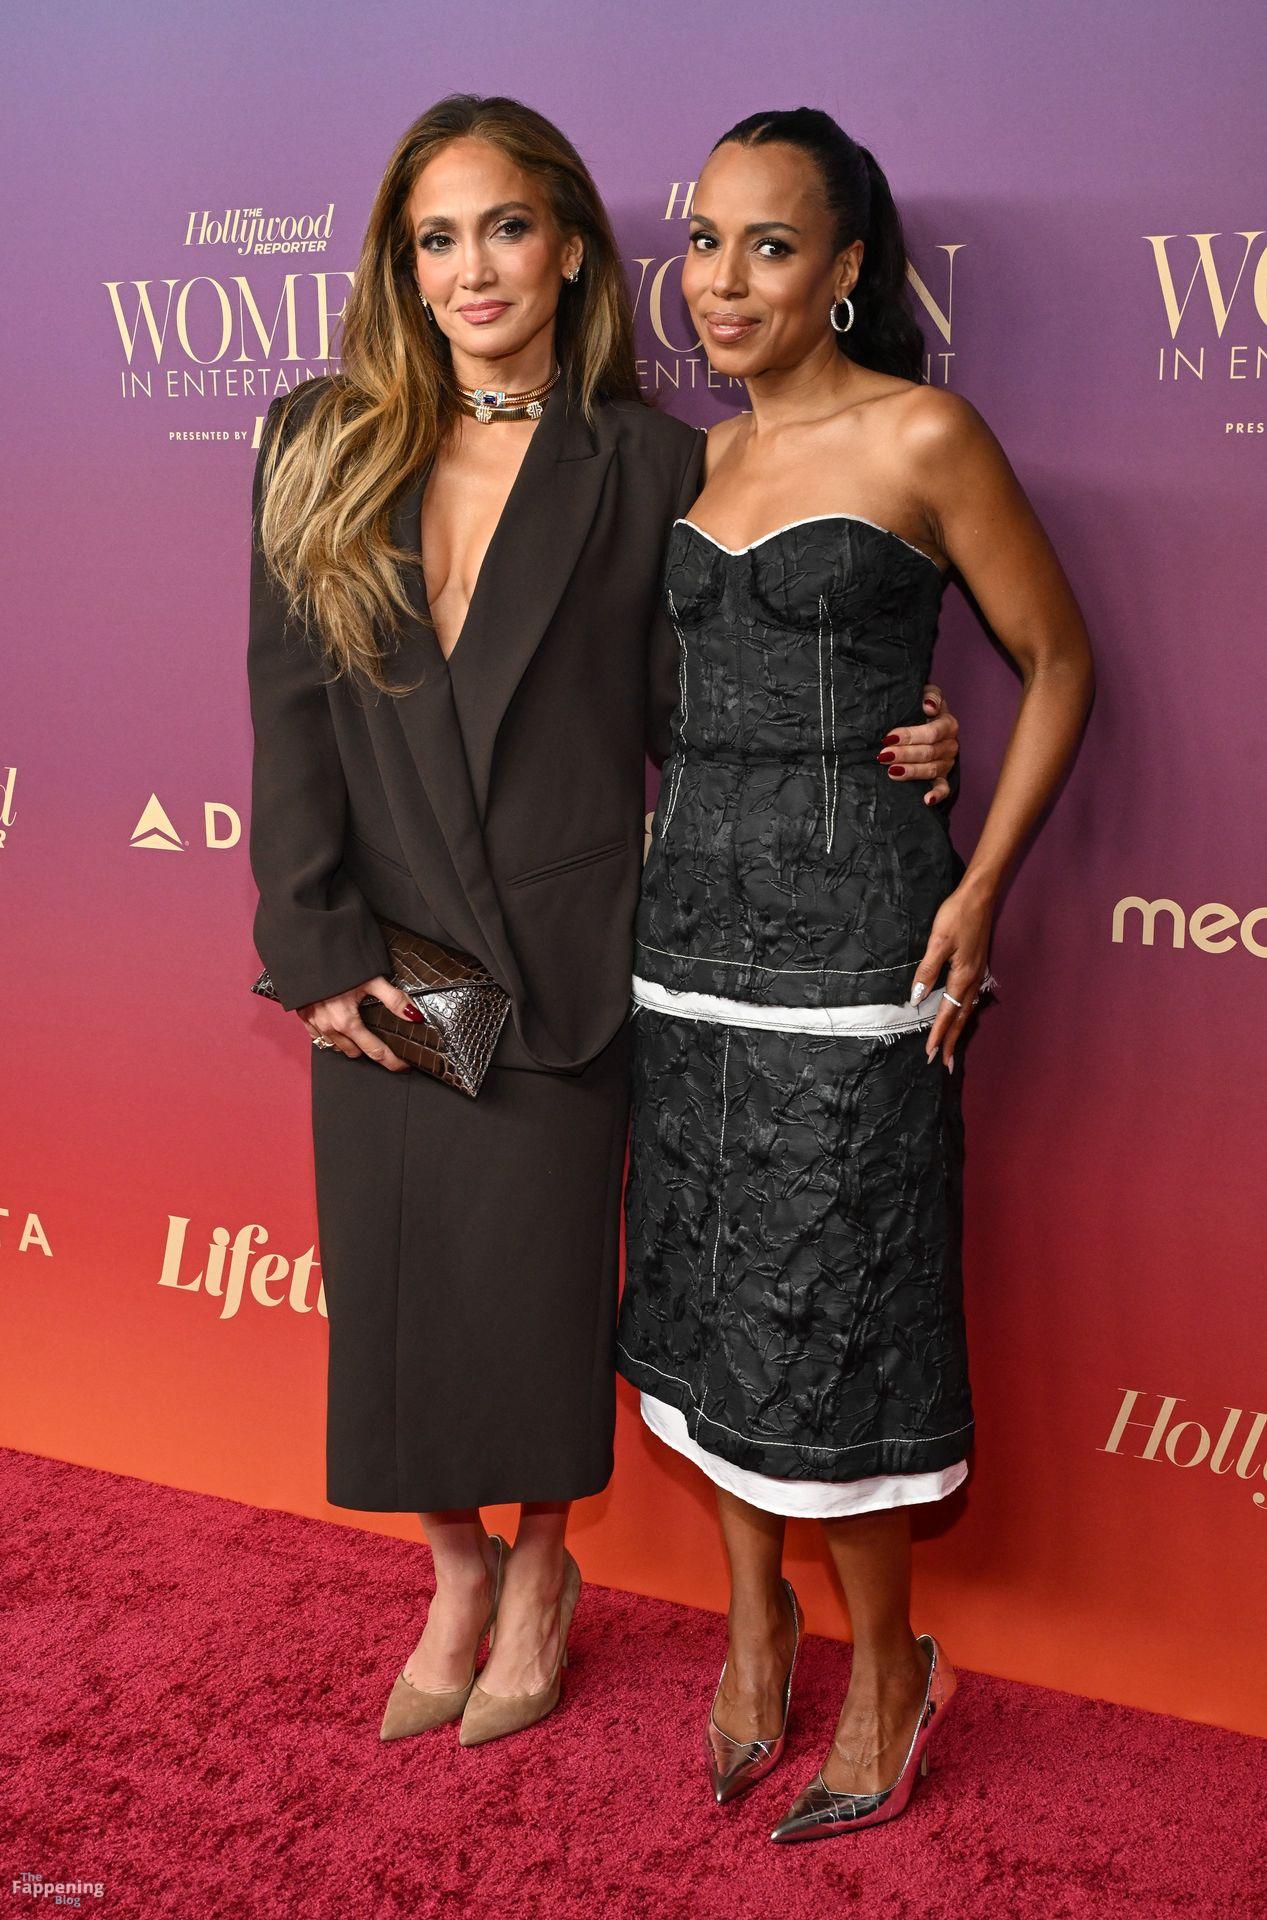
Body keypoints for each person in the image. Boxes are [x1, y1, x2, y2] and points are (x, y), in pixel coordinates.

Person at [246, 94, 962, 1752]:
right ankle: (456, 1577)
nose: (473, 267)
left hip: (562, 964)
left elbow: (697, 701)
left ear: (570, 248)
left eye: (506, 227)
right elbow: (286, 712)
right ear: (401, 266)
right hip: (388, 963)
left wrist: (891, 726)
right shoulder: (314, 437)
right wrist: (319, 949)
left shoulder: (645, 462)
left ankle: (542, 1570)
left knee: (537, 1292)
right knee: (404, 1297)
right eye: (437, 238)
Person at [616, 107, 1094, 1841]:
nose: (724, 281)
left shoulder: (922, 433)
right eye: (705, 242)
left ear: (845, 268)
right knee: (705, 1305)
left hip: (856, 958)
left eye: (769, 244)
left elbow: (1058, 661)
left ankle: (889, 1664)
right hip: (682, 952)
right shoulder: (689, 464)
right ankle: (757, 1628)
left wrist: (984, 878)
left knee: (836, 1320)